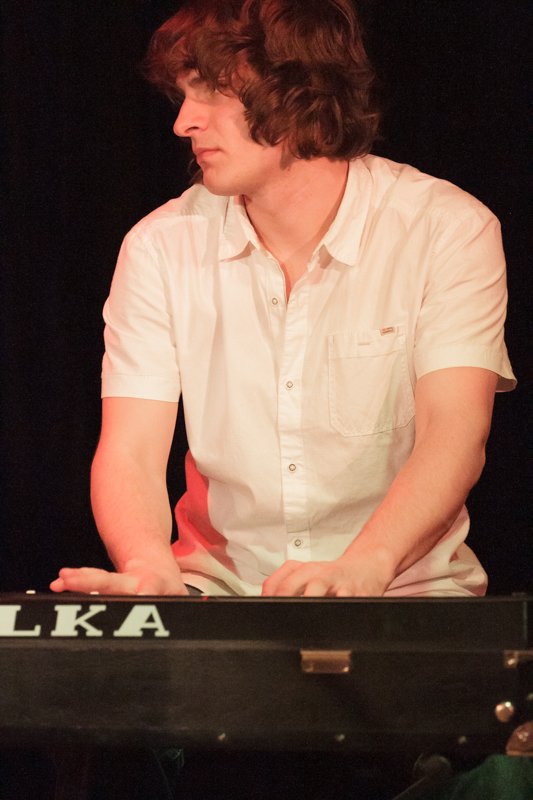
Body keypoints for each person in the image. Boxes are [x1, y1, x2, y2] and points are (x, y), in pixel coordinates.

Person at [50, 0, 515, 601]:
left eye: (212, 91)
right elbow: (131, 449)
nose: (184, 122)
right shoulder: (160, 246)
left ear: (301, 91)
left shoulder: (446, 229)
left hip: (406, 592)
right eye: (183, 96)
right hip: (219, 594)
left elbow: (455, 432)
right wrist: (148, 566)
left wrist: (366, 565)